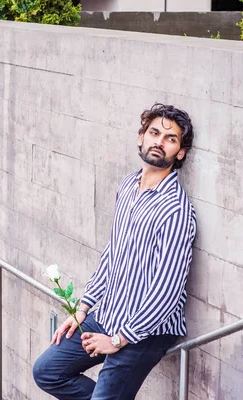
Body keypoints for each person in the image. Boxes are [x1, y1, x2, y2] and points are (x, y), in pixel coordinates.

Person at [33, 103, 197, 400]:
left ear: (180, 153)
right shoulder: (128, 185)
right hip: (109, 313)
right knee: (47, 371)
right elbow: (113, 254)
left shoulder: (175, 210)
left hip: (147, 330)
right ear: (141, 137)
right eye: (154, 133)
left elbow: (167, 292)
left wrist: (119, 339)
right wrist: (83, 310)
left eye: (170, 139)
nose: (159, 141)